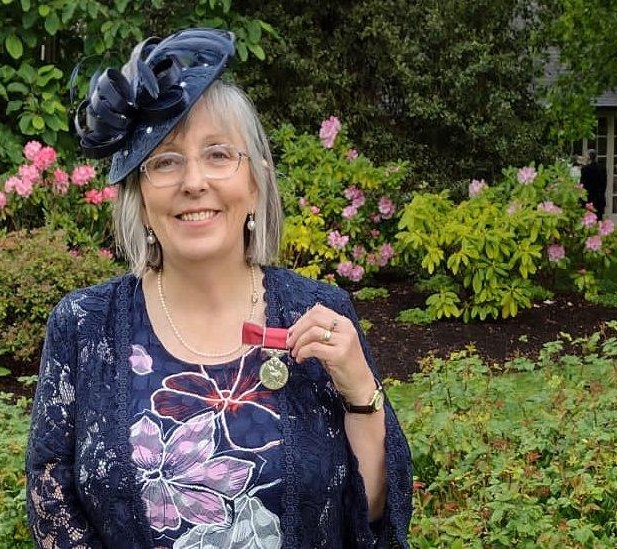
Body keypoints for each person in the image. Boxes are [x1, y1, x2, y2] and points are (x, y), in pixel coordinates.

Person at [25, 28, 413, 548]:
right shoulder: (84, 324)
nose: (193, 182)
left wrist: (360, 389)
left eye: (217, 154)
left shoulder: (319, 313)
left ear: (255, 184)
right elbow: (51, 503)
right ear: (139, 196)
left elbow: (370, 518)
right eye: (164, 161)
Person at [579, 149, 607, 220]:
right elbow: (604, 183)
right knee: (598, 218)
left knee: (587, 218)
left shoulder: (585, 169)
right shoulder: (602, 168)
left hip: (588, 196)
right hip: (599, 197)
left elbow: (582, 184)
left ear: (588, 157)